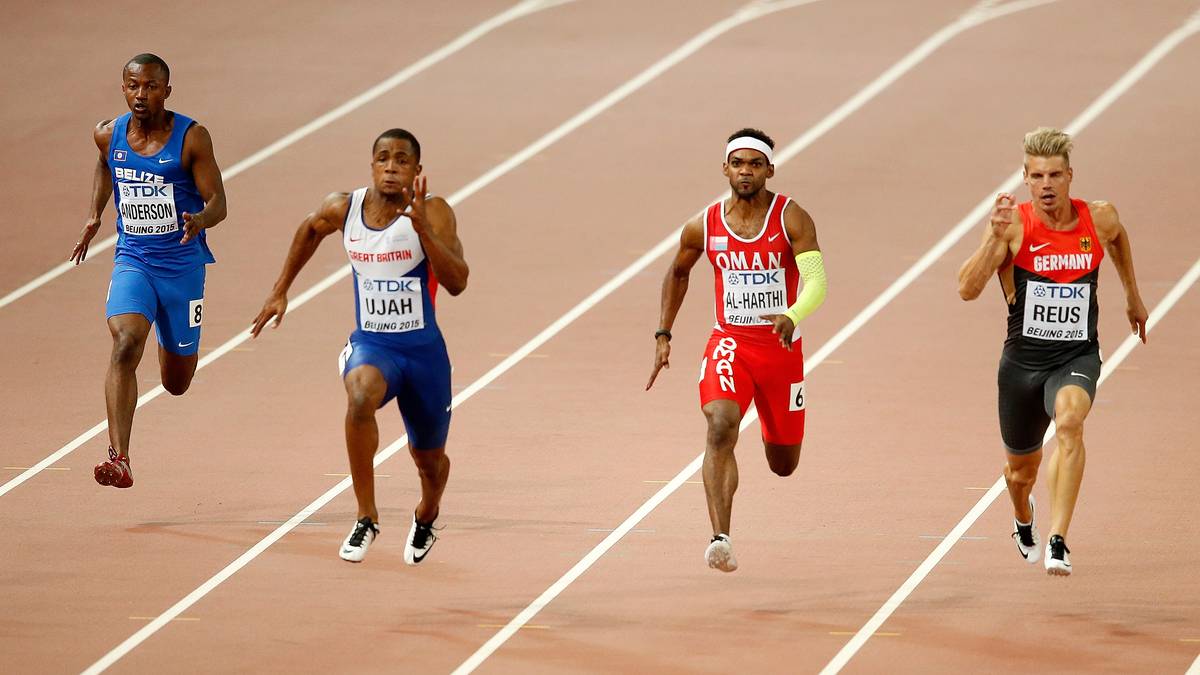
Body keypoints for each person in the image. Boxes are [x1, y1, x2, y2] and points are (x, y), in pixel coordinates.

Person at [251, 129, 468, 566]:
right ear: (371, 165)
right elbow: (310, 229)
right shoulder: (344, 208)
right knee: (359, 395)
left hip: (424, 355)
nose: (391, 166)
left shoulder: (435, 212)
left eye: (402, 161)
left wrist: (424, 230)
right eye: (383, 158)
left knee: (430, 462)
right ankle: (366, 515)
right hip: (374, 344)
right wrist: (280, 290)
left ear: (416, 171)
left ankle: (427, 513)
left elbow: (458, 282)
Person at [957, 127, 1148, 576]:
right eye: (1038, 175)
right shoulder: (1015, 227)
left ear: (1070, 176)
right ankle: (1024, 516)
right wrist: (991, 237)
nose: (1047, 185)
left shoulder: (1097, 218)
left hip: (1075, 357)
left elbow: (1118, 238)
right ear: (1025, 177)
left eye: (1055, 175)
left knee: (1070, 421)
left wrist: (1132, 295)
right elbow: (966, 289)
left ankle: (1058, 539)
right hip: (1022, 364)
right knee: (1019, 474)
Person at [646, 128, 828, 572]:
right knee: (721, 425)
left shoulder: (792, 218)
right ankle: (720, 538)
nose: (746, 171)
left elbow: (817, 282)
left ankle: (772, 428)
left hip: (781, 350)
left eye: (755, 164)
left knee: (784, 463)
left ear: (769, 170)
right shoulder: (703, 225)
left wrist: (793, 314)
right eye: (738, 163)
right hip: (730, 343)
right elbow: (678, 272)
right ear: (725, 168)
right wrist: (663, 334)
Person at [71, 53, 228, 489]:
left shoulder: (192, 138)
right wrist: (94, 215)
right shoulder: (108, 134)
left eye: (151, 87)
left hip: (181, 267)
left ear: (167, 91)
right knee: (124, 343)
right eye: (133, 86)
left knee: (176, 383)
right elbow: (106, 166)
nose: (142, 94)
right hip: (134, 260)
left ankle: (170, 335)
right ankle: (119, 457)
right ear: (123, 88)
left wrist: (200, 219)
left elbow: (219, 202)